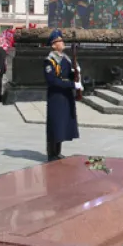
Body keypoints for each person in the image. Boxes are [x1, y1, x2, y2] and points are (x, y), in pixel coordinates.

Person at [44, 29, 82, 161]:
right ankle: (51, 153)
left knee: (62, 124)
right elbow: (52, 80)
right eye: (59, 41)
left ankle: (58, 152)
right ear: (54, 45)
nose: (62, 42)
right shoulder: (50, 60)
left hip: (65, 95)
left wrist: (76, 73)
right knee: (55, 123)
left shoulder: (65, 58)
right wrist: (72, 85)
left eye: (61, 40)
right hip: (56, 96)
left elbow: (69, 75)